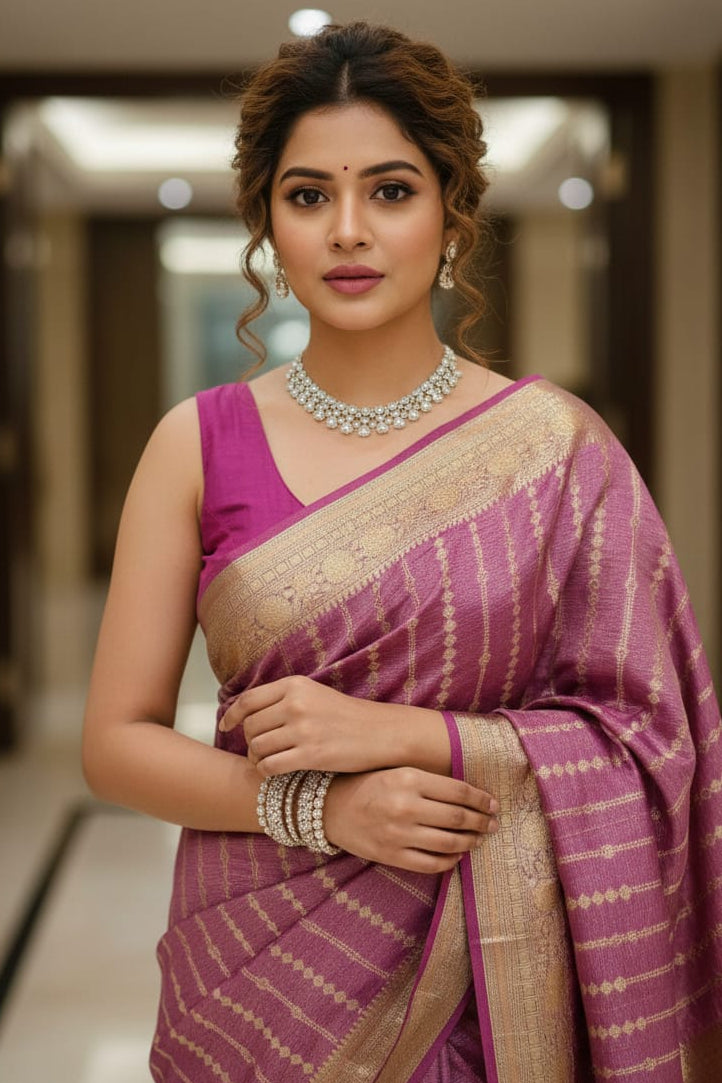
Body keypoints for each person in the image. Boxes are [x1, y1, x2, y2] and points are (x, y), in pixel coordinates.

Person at [82, 21, 722, 1083]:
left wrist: (405, 735)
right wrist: (321, 808)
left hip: (497, 978)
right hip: (264, 983)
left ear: (450, 215)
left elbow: (653, 741)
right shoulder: (195, 444)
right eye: (305, 195)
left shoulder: (554, 450)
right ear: (265, 223)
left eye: (387, 190)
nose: (346, 230)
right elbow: (115, 741)